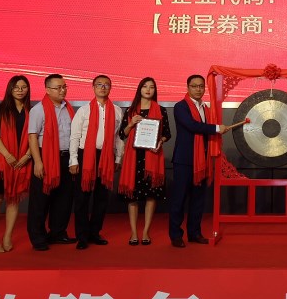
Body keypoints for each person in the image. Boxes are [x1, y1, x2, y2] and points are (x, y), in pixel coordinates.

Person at [169, 74, 227, 248]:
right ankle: (175, 235)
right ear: (187, 87)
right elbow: (192, 125)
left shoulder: (206, 108)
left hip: (202, 161)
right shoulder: (180, 107)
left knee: (198, 200)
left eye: (201, 86)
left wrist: (216, 129)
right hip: (184, 160)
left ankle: (194, 233)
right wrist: (216, 128)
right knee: (179, 199)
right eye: (194, 86)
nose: (198, 89)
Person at [69, 75, 124, 250]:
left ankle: (95, 233)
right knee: (82, 198)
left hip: (106, 157)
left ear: (110, 88)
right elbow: (75, 136)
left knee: (101, 198)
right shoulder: (83, 110)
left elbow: (118, 137)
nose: (103, 87)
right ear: (93, 87)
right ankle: (82, 236)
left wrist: (118, 158)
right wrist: (73, 160)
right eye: (99, 84)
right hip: (86, 155)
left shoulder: (117, 111)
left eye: (106, 84)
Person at [118, 77, 170, 246]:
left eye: (152, 87)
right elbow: (122, 134)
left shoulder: (161, 110)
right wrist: (131, 123)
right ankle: (134, 232)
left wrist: (160, 141)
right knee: (132, 197)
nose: (148, 89)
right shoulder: (131, 110)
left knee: (150, 196)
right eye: (145, 86)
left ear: (155, 90)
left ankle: (146, 231)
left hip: (152, 156)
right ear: (139, 89)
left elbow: (167, 134)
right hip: (134, 157)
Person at [27, 74, 76, 251]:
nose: (62, 90)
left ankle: (58, 233)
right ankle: (38, 237)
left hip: (66, 158)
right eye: (58, 88)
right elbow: (32, 137)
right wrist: (38, 162)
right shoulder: (38, 110)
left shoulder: (69, 108)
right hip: (46, 158)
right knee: (41, 200)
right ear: (47, 90)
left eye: (64, 87)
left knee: (63, 199)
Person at [0, 75, 32, 253]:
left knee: (14, 199)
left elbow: (36, 136)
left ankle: (7, 236)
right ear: (10, 89)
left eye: (23, 87)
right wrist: (7, 155)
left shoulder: (32, 111)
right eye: (16, 87)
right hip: (1, 160)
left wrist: (27, 156)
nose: (20, 90)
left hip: (23, 160)